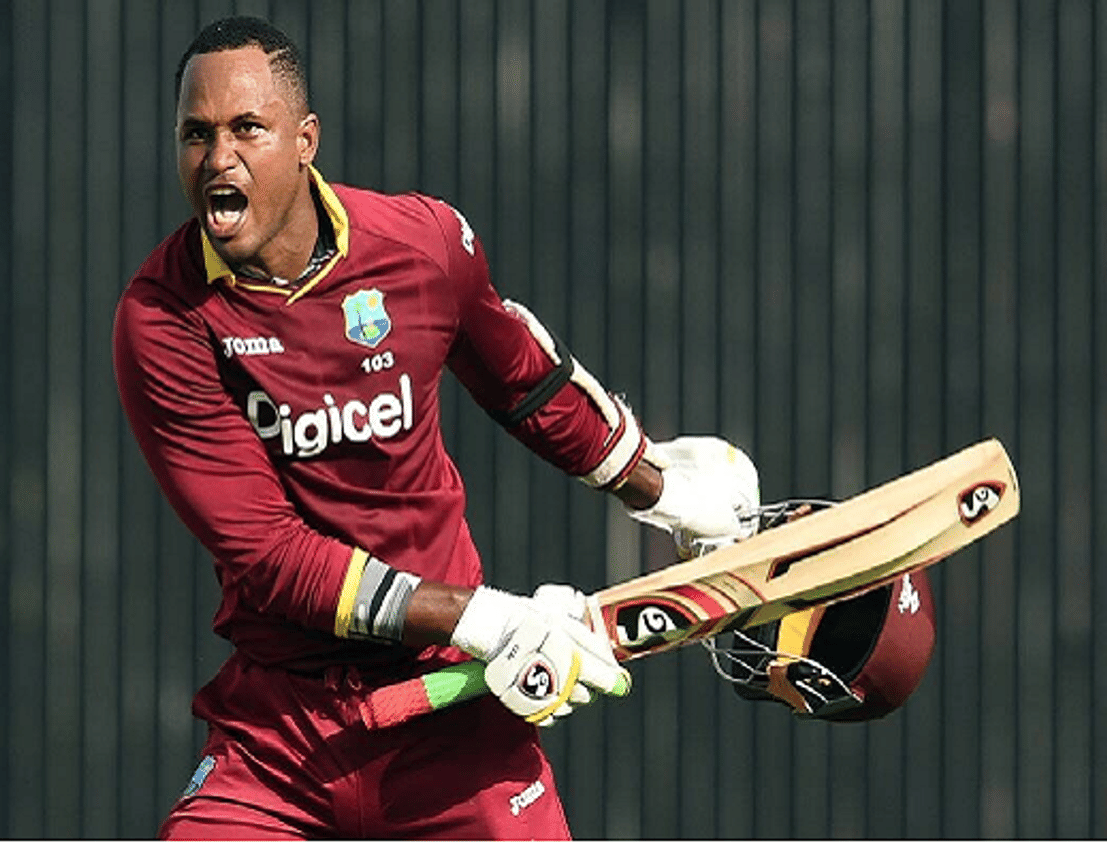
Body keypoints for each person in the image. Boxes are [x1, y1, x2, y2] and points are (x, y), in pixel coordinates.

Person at [113, 15, 771, 840]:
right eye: (196, 134)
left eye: (248, 128)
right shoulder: (162, 317)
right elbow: (274, 557)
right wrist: (489, 619)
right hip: (282, 737)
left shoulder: (419, 243)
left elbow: (526, 384)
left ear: (306, 140)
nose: (219, 158)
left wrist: (662, 489)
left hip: (455, 721)